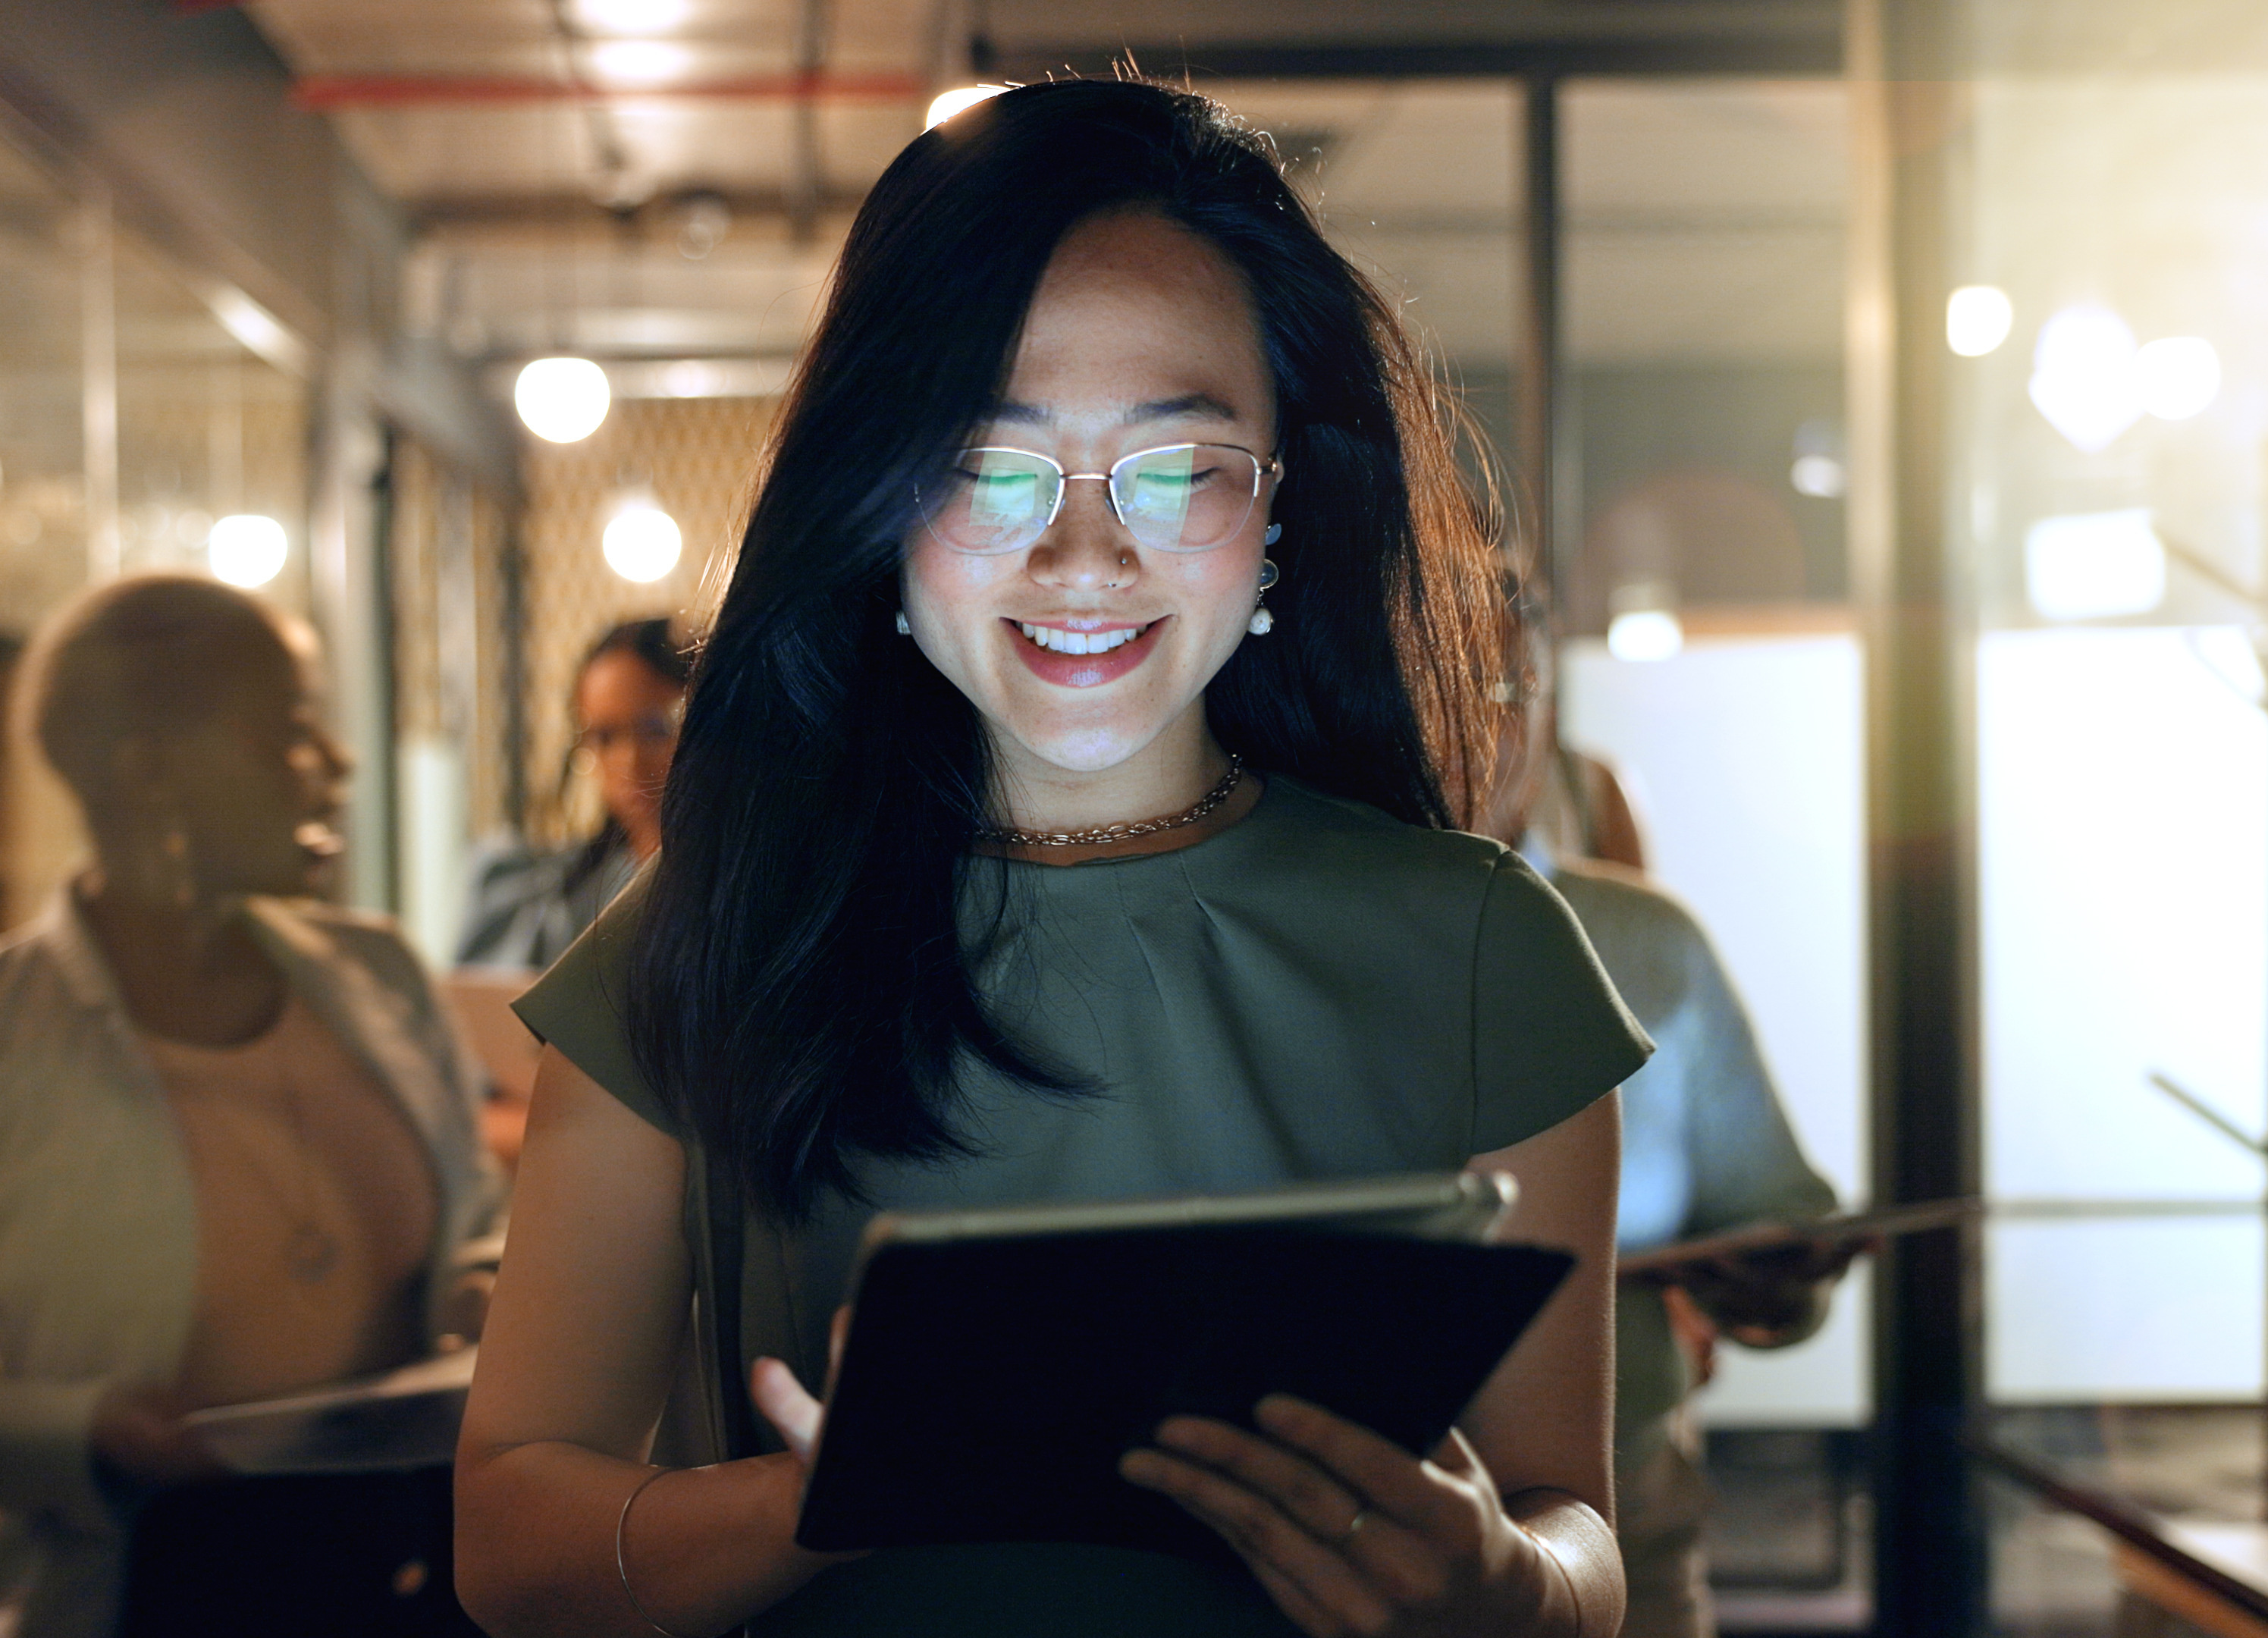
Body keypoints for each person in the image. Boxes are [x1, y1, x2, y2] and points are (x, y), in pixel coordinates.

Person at [456, 80, 1647, 1638]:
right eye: (984, 464)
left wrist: (1503, 1586)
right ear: (877, 499)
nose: (1081, 556)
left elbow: (1575, 1528)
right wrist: (823, 1503)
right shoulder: (711, 936)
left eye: (1174, 469)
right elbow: (509, 1539)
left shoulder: (1488, 953)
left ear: (1282, 500)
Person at [0, 576, 502, 1638]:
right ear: (150, 774)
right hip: (138, 1589)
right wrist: (95, 1428)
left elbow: (475, 1219)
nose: (338, 765)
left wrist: (480, 1285)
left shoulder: (381, 976)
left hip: (411, 1567)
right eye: (290, 731)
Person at [1476, 579, 1845, 1638]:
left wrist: (1772, 1276)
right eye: (1436, 684)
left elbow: (1774, 1203)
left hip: (1620, 1496)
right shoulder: (1293, 935)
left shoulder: (1649, 944)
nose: (1480, 723)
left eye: (1510, 686)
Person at [456, 617, 691, 971]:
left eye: (656, 728)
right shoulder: (554, 895)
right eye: (606, 737)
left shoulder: (738, 887)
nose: (630, 760)